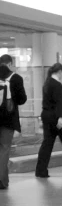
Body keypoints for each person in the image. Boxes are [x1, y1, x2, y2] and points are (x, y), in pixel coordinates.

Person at [0, 54, 27, 190]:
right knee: (4, 149)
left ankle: (4, 181)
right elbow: (22, 99)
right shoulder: (16, 78)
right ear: (10, 64)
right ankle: (1, 179)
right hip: (8, 119)